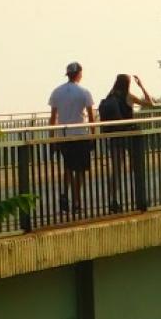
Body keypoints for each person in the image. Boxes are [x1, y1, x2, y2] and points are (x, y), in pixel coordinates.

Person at [99, 73, 156, 211]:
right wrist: (141, 86)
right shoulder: (128, 96)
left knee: (116, 170)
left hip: (115, 136)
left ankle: (113, 200)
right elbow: (151, 104)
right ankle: (140, 198)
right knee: (137, 167)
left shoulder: (110, 96)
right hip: (130, 135)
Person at [48, 62, 96, 215]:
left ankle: (64, 194)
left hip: (64, 135)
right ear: (79, 74)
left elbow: (53, 117)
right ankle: (76, 201)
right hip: (81, 135)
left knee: (68, 167)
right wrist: (93, 135)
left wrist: (52, 138)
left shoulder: (57, 92)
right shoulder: (84, 92)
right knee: (80, 170)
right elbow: (91, 116)